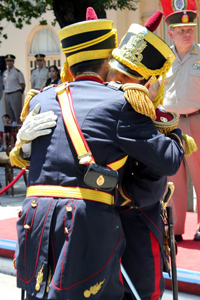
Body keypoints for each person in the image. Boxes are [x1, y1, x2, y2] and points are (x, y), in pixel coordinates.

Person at [10, 7, 184, 300]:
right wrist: (168, 126)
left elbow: (33, 156)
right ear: (106, 61)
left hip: (34, 221)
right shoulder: (120, 104)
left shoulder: (41, 98)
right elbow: (168, 160)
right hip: (83, 222)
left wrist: (21, 146)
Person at [106, 11, 184, 300]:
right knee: (144, 289)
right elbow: (167, 162)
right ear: (150, 82)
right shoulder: (137, 110)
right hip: (133, 214)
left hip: (108, 213)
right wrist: (172, 132)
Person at [149, 0, 200, 241]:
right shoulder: (162, 61)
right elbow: (151, 90)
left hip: (196, 121)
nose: (187, 33)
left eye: (190, 29)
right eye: (181, 31)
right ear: (171, 33)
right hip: (169, 127)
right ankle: (176, 228)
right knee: (173, 179)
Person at [3, 54, 25, 124]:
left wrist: (19, 94)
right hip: (7, 94)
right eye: (8, 61)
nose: (9, 62)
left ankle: (19, 130)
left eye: (11, 61)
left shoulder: (17, 72)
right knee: (8, 116)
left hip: (15, 93)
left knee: (17, 114)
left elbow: (22, 84)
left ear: (13, 62)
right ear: (6, 62)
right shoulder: (5, 73)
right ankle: (10, 132)